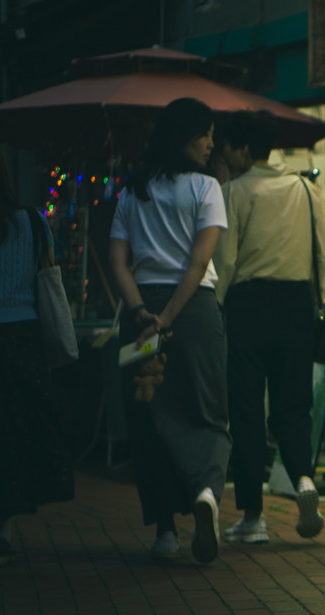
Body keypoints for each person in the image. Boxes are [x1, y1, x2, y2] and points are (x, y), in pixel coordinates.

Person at [109, 97, 232, 564]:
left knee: (149, 415)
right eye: (204, 134)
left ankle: (164, 530)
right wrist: (171, 316)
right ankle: (205, 492)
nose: (211, 143)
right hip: (194, 311)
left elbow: (117, 260)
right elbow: (200, 262)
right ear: (184, 136)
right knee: (206, 408)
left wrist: (141, 311)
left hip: (139, 315)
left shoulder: (133, 190)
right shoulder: (206, 187)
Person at [213, 110, 325, 543]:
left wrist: (218, 307)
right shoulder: (305, 189)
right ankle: (302, 478)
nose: (222, 156)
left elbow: (225, 260)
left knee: (247, 410)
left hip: (247, 305)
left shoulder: (234, 192)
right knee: (294, 404)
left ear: (245, 149)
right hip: (296, 305)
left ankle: (252, 517)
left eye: (226, 148)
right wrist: (321, 302)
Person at [0, 137, 75, 566]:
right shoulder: (32, 221)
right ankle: (3, 529)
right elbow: (48, 275)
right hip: (21, 340)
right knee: (13, 434)